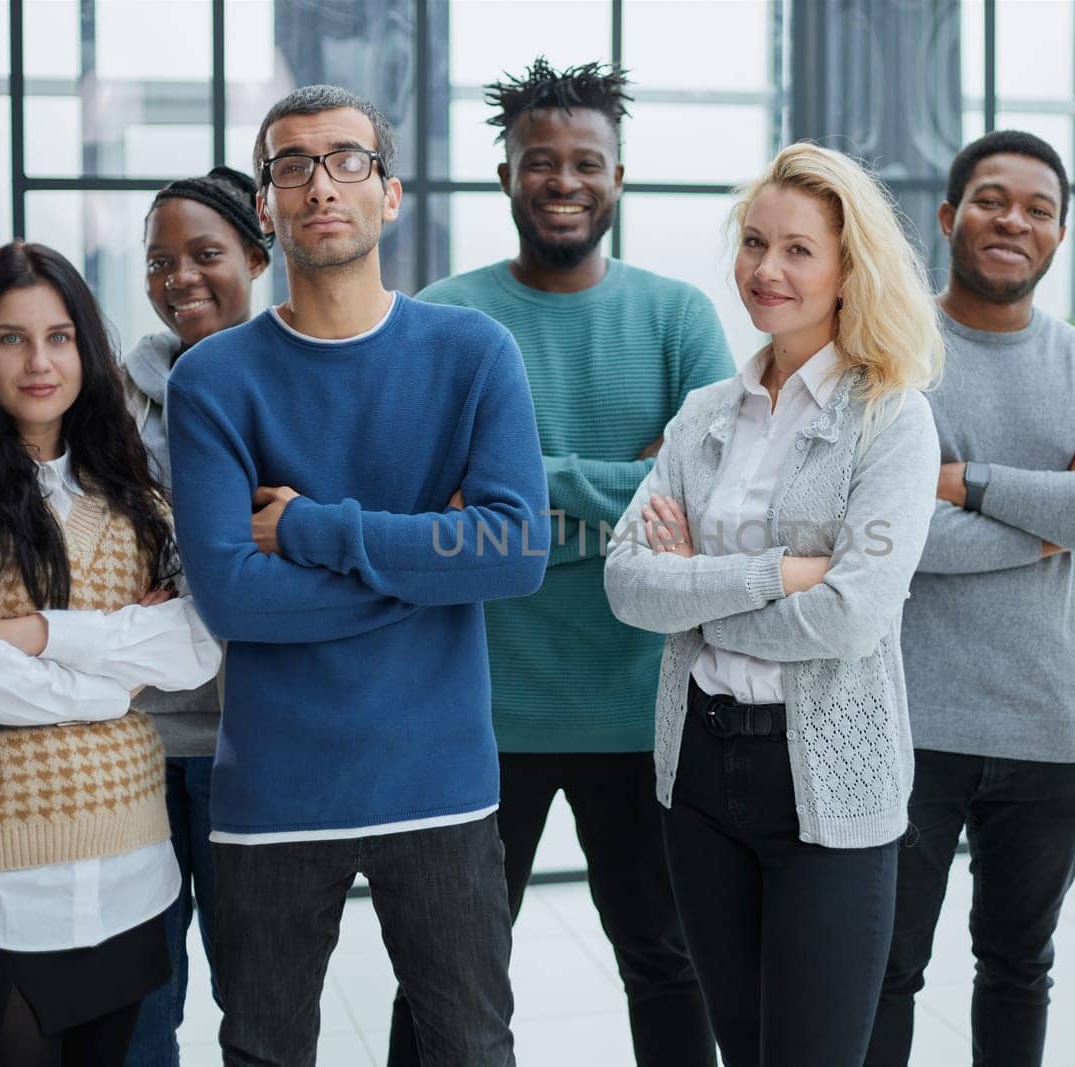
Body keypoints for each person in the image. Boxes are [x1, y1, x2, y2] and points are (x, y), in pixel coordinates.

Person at [164, 84, 548, 1067]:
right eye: (291, 165)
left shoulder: (472, 354)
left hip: (442, 782)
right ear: (266, 205)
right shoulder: (211, 380)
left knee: (468, 1045)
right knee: (262, 1047)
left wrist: (309, 527)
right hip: (274, 790)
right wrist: (430, 559)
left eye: (346, 160)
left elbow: (515, 553)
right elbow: (231, 599)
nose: (319, 184)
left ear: (390, 193)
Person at [390, 57, 731, 1067]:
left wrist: (516, 485)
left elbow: (707, 492)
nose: (564, 181)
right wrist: (625, 487)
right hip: (481, 712)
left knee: (665, 959)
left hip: (642, 703)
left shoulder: (677, 318)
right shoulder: (446, 317)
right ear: (506, 176)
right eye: (542, 162)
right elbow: (421, 492)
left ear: (618, 177)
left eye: (587, 162)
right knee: (448, 966)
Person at [603, 142, 944, 1067]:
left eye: (798, 249)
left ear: (846, 269)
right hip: (700, 768)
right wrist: (776, 572)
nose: (767, 269)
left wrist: (699, 590)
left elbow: (853, 614)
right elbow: (628, 583)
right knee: (742, 1046)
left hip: (831, 777)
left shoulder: (893, 417)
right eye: (755, 243)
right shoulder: (704, 412)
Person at [0, 241, 221, 1066]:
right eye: (11, 338)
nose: (38, 361)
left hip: (127, 854)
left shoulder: (133, 492)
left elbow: (196, 644)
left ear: (87, 351)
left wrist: (40, 633)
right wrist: (110, 681)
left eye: (59, 337)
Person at [866, 130, 1075, 1067]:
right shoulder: (893, 354)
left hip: (1048, 727)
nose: (1015, 221)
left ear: (1059, 235)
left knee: (1018, 969)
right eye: (993, 201)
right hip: (908, 721)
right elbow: (889, 535)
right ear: (951, 219)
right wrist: (1053, 517)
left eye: (1039, 209)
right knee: (885, 971)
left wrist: (969, 479)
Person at [122, 165, 271, 1067]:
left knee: (257, 988)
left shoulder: (294, 377)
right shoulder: (114, 396)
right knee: (142, 989)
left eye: (205, 254)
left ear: (257, 256)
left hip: (251, 736)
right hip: (136, 737)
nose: (180, 277)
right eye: (159, 260)